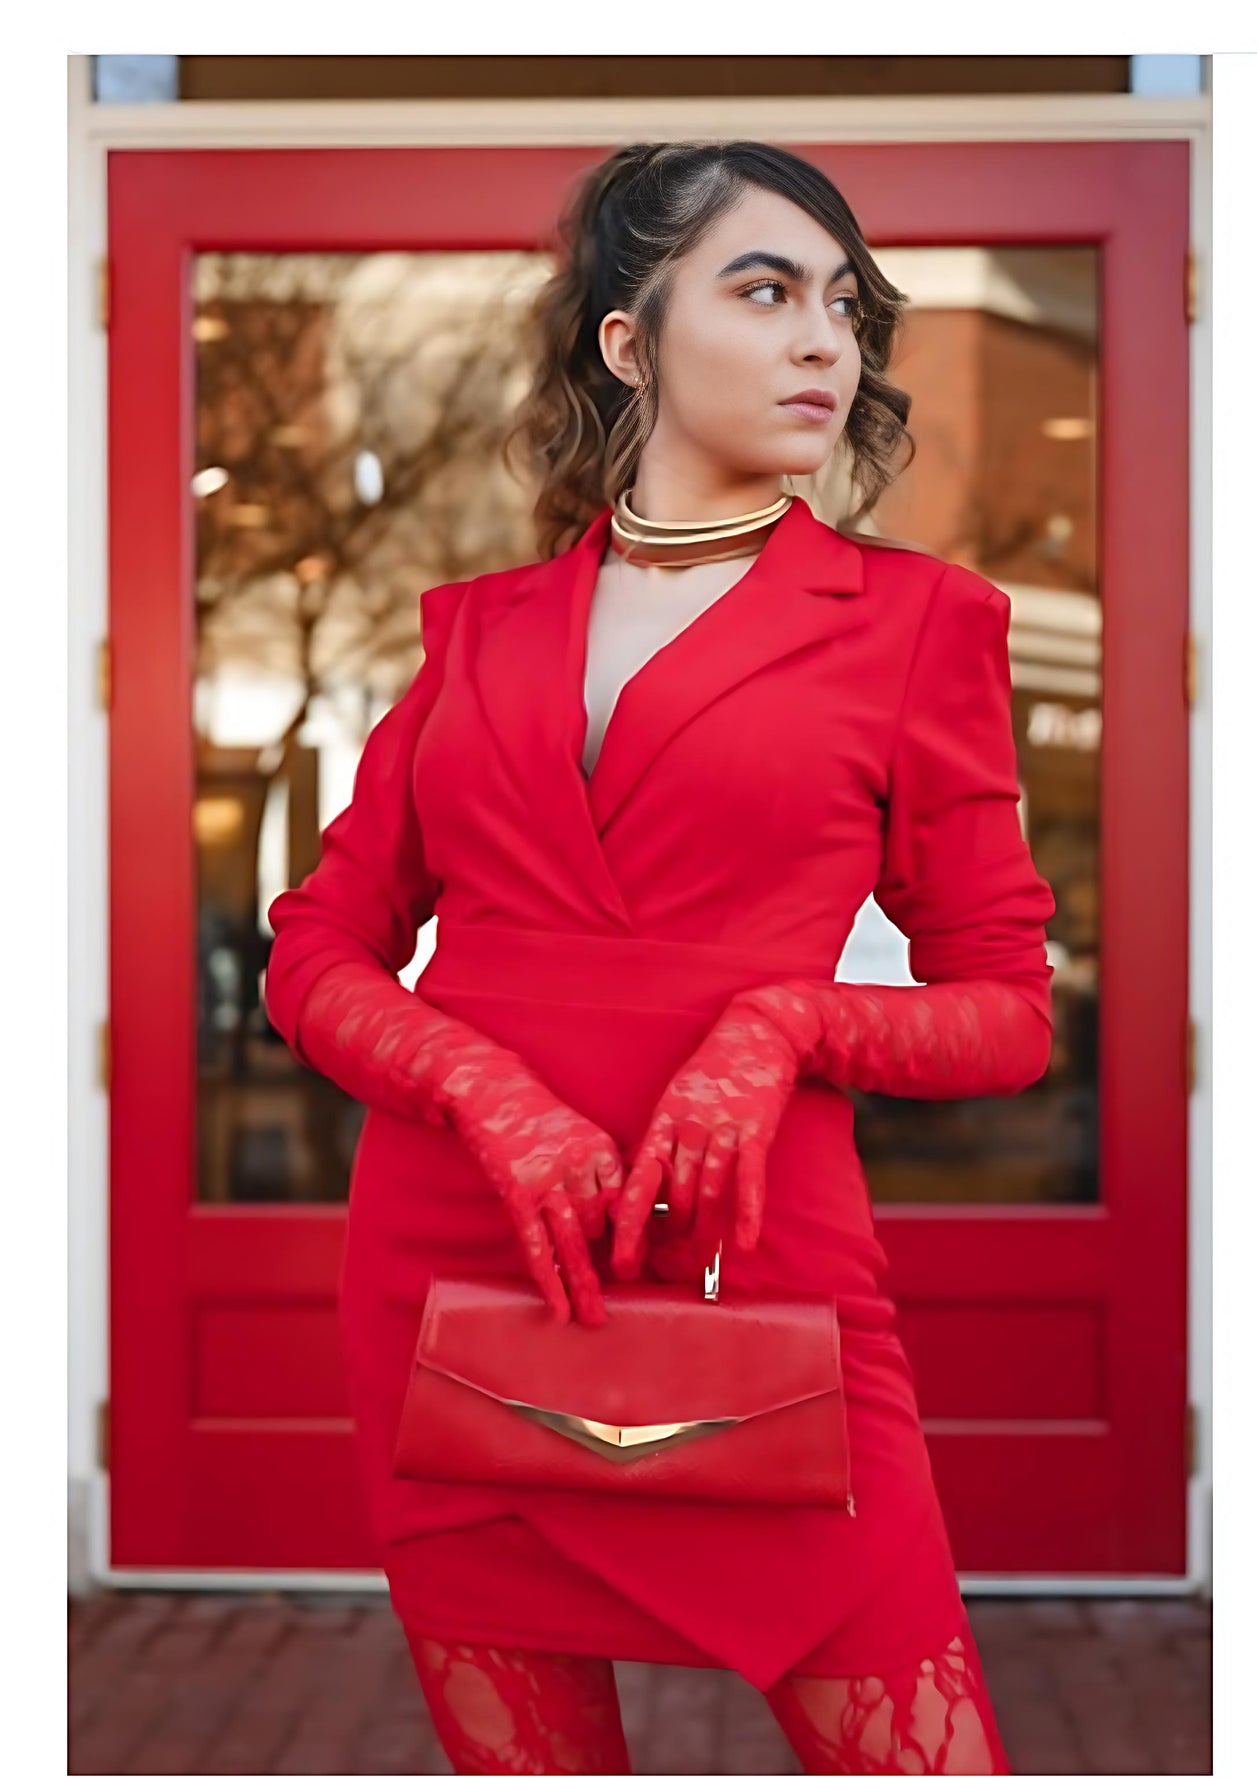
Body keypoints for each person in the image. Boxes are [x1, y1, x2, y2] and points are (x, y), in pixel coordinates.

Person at [263, 139, 1055, 1776]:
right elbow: (319, 948)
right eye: (763, 291)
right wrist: (474, 1079)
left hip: (759, 1265)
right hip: (457, 1260)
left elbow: (1006, 1015)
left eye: (845, 304)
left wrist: (783, 1024)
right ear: (628, 340)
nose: (823, 340)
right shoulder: (474, 631)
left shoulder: (919, 624)